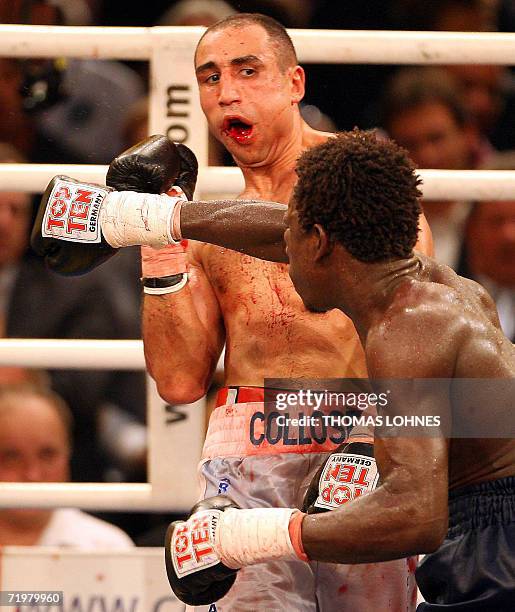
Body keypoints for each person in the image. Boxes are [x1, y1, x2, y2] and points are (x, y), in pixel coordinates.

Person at [31, 14, 433, 611]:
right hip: (247, 450)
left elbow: (419, 327)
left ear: (295, 83)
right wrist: (160, 247)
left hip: (360, 435)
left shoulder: (362, 183)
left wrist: (376, 440)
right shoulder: (197, 225)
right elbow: (178, 380)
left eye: (249, 71)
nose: (228, 92)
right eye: (211, 77)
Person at [164, 129, 515, 611]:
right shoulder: (436, 288)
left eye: (293, 241)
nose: (283, 258)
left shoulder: (406, 333)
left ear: (320, 242)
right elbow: (276, 228)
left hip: (495, 543)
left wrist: (244, 536)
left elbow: (416, 516)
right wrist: (156, 217)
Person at [0, 380, 134, 548]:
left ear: (68, 453)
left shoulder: (107, 546)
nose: (32, 474)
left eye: (47, 455)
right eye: (11, 457)